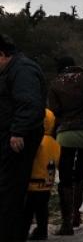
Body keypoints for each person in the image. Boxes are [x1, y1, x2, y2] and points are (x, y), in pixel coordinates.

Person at [0, 33, 47, 242]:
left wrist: (18, 131)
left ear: (2, 55)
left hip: (18, 141)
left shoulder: (22, 69)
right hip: (11, 137)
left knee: (10, 192)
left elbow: (29, 104)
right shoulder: (13, 69)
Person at [48, 55, 83, 235]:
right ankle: (78, 215)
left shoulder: (56, 83)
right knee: (81, 174)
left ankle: (66, 223)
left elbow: (54, 112)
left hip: (65, 135)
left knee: (65, 178)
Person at [23, 108, 61, 240]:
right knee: (42, 211)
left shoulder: (37, 141)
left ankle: (22, 232)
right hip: (46, 185)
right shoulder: (56, 144)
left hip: (32, 184)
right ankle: (42, 231)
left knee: (27, 212)